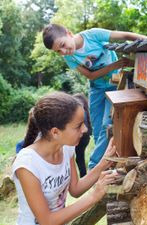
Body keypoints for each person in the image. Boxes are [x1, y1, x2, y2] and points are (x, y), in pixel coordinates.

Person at [42, 24, 147, 169]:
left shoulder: (93, 35)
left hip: (114, 86)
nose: (63, 52)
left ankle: (94, 167)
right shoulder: (69, 57)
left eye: (62, 45)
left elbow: (126, 35)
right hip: (96, 89)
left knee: (107, 125)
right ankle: (107, 164)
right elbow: (90, 75)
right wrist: (116, 64)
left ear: (69, 33)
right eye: (58, 51)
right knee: (98, 130)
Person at [12, 91, 118, 225]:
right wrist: (94, 196)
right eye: (78, 125)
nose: (85, 129)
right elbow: (47, 221)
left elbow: (75, 189)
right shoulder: (27, 164)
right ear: (55, 132)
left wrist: (104, 163)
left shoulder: (66, 147)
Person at [73, 93, 92, 177]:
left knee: (74, 157)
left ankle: (82, 176)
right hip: (85, 136)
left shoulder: (75, 108)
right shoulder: (86, 109)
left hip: (78, 135)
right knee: (80, 157)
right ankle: (83, 176)